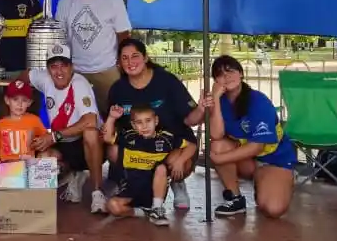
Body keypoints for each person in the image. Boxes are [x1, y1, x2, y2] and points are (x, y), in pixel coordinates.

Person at [106, 38, 202, 210]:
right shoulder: (117, 89)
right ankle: (132, 183)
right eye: (124, 58)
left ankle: (176, 181)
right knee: (113, 151)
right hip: (140, 146)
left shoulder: (167, 82)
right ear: (119, 63)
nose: (130, 62)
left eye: (135, 56)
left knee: (176, 162)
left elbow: (190, 119)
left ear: (145, 58)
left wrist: (202, 108)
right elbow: (112, 129)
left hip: (173, 144)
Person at [205, 54, 297, 219]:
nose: (226, 77)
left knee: (273, 209)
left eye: (230, 71)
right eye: (220, 74)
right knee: (217, 146)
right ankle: (235, 198)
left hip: (274, 160)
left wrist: (219, 160)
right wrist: (216, 100)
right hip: (248, 160)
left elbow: (257, 146)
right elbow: (216, 134)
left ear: (241, 73)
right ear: (215, 81)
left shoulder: (258, 101)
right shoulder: (221, 101)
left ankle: (275, 181)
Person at [21, 44, 106, 213]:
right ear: (47, 69)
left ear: (72, 67)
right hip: (63, 143)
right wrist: (18, 95)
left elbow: (90, 120)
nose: (59, 71)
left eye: (64, 65)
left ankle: (97, 193)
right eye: (54, 66)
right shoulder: (44, 78)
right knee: (43, 155)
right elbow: (25, 76)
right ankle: (72, 176)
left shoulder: (79, 83)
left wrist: (53, 137)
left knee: (90, 133)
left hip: (87, 143)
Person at [54, 0, 132, 114]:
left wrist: (121, 63)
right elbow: (59, 36)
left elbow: (123, 34)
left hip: (107, 68)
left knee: (113, 113)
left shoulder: (113, 0)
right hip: (75, 70)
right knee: (76, 115)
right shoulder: (65, 2)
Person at [101, 102, 194, 225]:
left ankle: (157, 209)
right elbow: (107, 138)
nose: (144, 126)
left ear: (156, 121)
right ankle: (143, 212)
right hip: (131, 189)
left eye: (148, 121)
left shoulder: (166, 139)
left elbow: (191, 146)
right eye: (139, 123)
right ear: (133, 125)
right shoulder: (128, 138)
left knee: (161, 168)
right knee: (112, 206)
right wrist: (112, 118)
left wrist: (180, 161)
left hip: (155, 190)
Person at [0, 77, 48, 180]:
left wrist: (38, 144)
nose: (20, 104)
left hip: (28, 166)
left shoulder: (34, 120)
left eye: (24, 100)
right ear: (7, 100)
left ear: (29, 103)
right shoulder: (0, 124)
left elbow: (45, 139)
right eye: (15, 99)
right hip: (7, 169)